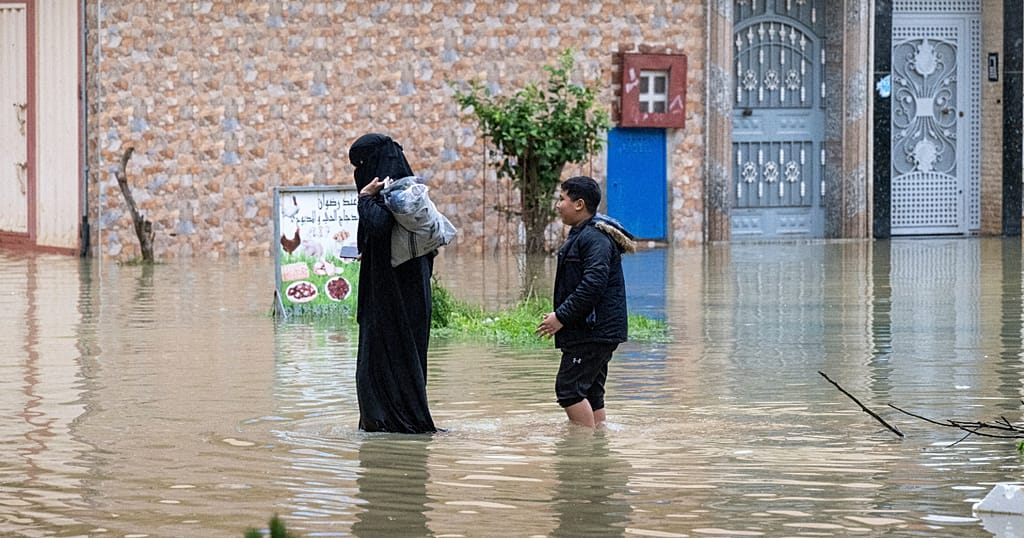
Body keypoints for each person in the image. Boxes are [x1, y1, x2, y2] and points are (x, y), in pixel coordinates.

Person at [348, 133, 438, 433]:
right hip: (404, 294)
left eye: (359, 164)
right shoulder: (407, 192)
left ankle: (391, 424)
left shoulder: (398, 193)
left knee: (383, 363)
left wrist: (363, 197)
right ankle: (391, 422)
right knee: (397, 360)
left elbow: (378, 224)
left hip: (394, 300)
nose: (357, 172)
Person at [535, 176, 635, 428]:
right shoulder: (585, 235)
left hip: (593, 332)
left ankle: (582, 457)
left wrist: (561, 316)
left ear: (579, 204)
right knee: (591, 392)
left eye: (562, 199)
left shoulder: (594, 238)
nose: (558, 205)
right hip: (594, 330)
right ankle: (597, 451)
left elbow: (593, 285)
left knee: (568, 390)